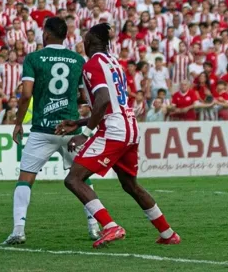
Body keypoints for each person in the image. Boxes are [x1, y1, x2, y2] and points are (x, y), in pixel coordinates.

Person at [57, 23, 180, 248]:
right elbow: (111, 103)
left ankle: (110, 226)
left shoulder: (92, 64)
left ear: (92, 41)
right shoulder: (115, 63)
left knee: (73, 179)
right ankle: (167, 233)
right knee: (130, 184)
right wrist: (78, 121)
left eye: (85, 39)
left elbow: (103, 100)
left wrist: (84, 133)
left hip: (114, 130)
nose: (82, 43)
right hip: (129, 126)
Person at [3, 17, 99, 245]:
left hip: (42, 129)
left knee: (25, 179)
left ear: (46, 34)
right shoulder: (77, 60)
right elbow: (83, 95)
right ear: (65, 35)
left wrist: (18, 122)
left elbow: (26, 94)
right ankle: (94, 227)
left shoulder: (34, 58)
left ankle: (18, 230)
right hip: (71, 128)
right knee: (83, 178)